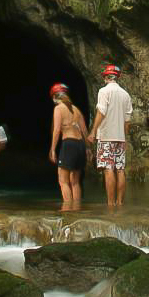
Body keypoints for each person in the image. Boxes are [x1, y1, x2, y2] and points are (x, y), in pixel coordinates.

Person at [87, 63, 132, 207]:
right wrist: (124, 138)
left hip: (106, 137)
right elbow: (127, 121)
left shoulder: (103, 91)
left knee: (108, 169)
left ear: (106, 77)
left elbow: (101, 112)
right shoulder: (126, 95)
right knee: (120, 169)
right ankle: (120, 203)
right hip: (120, 137)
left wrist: (93, 130)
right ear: (117, 77)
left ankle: (110, 203)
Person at [48, 82, 89, 210]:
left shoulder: (58, 108)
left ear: (54, 96)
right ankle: (76, 210)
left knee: (63, 181)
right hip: (80, 145)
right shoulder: (76, 109)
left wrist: (53, 149)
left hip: (69, 144)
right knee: (75, 181)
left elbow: (56, 129)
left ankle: (67, 212)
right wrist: (88, 148)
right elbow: (85, 131)